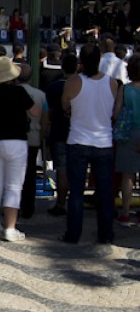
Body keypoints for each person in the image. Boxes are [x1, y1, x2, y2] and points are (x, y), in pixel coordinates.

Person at [0, 57, 39, 242]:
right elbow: (35, 112)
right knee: (13, 186)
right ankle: (10, 228)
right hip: (16, 141)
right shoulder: (19, 92)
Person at [61, 45, 118, 244]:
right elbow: (114, 113)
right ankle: (106, 234)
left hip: (78, 140)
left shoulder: (73, 82)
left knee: (76, 191)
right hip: (103, 141)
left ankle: (73, 234)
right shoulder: (112, 83)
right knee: (105, 192)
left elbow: (65, 106)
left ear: (81, 61)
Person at [45, 54, 77, 216]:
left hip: (59, 131)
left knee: (62, 169)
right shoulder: (81, 86)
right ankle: (75, 202)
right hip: (77, 132)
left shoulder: (53, 87)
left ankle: (61, 202)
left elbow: (48, 112)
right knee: (77, 169)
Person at [17, 65, 47, 219]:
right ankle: (28, 207)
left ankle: (15, 205)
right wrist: (42, 135)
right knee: (30, 175)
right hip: (33, 138)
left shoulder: (13, 93)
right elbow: (45, 117)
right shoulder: (41, 95)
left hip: (15, 138)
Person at [114, 55, 140, 226]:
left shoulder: (124, 89)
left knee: (127, 175)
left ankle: (125, 212)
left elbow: (115, 113)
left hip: (128, 132)